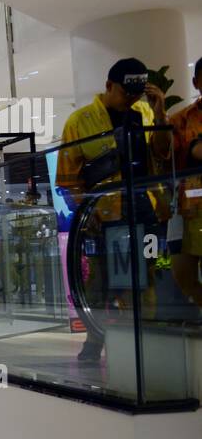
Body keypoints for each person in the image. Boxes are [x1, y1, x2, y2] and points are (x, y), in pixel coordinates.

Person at [56, 57, 172, 362]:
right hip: (103, 214)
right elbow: (67, 179)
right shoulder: (80, 122)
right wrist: (87, 213)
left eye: (137, 93)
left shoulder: (145, 112)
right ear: (109, 86)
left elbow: (162, 153)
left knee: (144, 275)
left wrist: (159, 110)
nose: (132, 99)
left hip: (144, 210)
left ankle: (140, 343)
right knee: (98, 281)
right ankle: (96, 339)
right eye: (126, 92)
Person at [169, 58, 202, 309]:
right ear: (196, 82)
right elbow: (166, 159)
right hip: (188, 208)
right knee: (182, 272)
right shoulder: (180, 120)